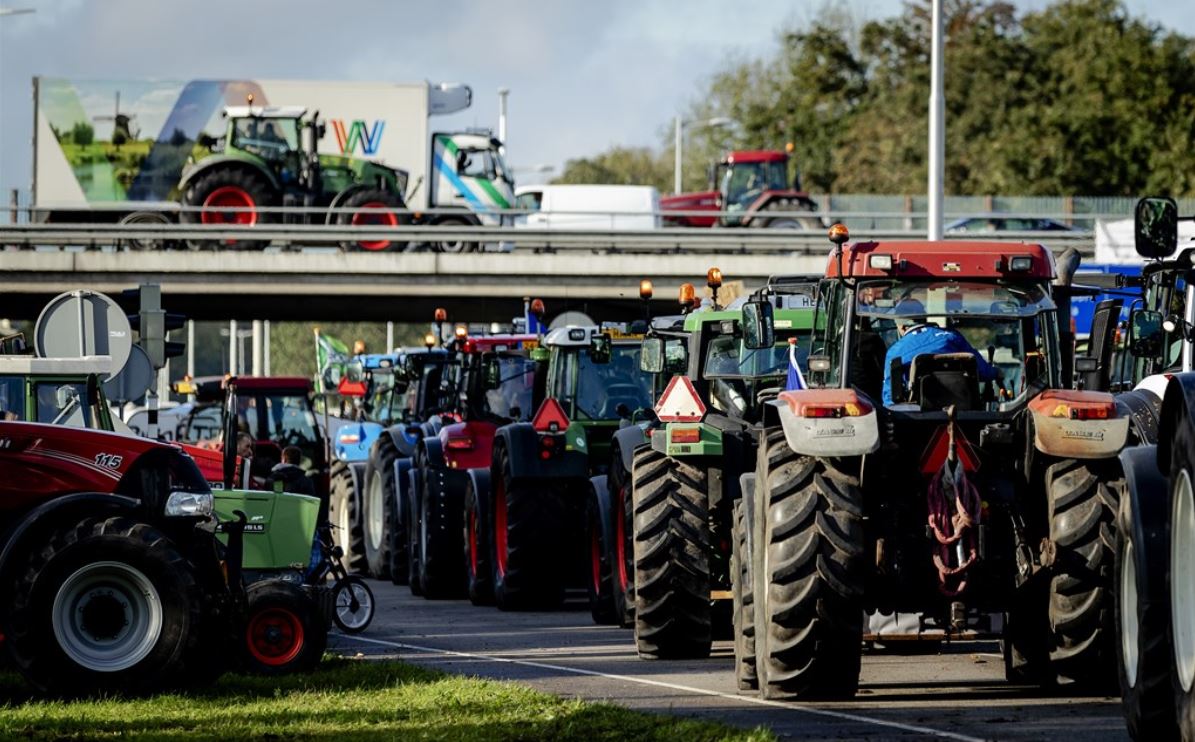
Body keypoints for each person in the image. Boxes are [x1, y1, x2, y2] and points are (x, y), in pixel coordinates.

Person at [882, 300, 1000, 406]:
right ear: (924, 318)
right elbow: (984, 372)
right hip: (962, 411)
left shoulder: (894, 352)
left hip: (917, 417)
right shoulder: (952, 336)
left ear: (901, 326)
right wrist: (997, 372)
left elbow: (890, 398)